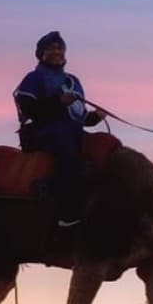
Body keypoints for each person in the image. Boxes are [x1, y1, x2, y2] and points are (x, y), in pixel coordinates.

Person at [13, 31, 105, 226]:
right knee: (68, 155)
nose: (56, 51)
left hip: (73, 131)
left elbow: (79, 117)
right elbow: (30, 109)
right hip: (45, 132)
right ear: (41, 53)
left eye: (59, 48)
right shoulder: (34, 78)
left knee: (104, 149)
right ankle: (65, 212)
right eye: (51, 48)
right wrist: (58, 102)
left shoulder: (73, 82)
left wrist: (95, 117)